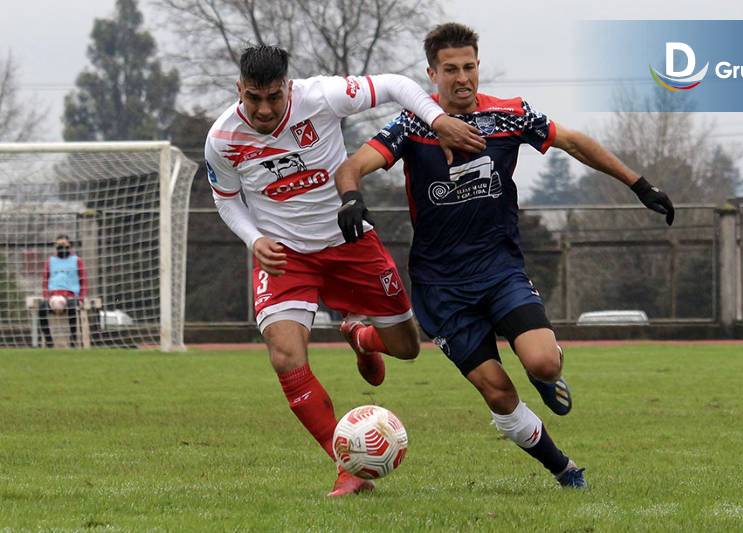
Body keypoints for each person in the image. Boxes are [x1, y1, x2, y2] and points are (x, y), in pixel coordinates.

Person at [334, 23, 675, 489]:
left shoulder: (509, 116)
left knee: (544, 364)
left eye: (469, 67)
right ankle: (564, 469)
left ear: (478, 66)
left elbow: (573, 141)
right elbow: (352, 166)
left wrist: (640, 185)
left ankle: (544, 376)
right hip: (442, 287)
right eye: (450, 69)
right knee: (497, 388)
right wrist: (352, 197)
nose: (462, 78)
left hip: (499, 271)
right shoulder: (414, 125)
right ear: (431, 73)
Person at [204, 44, 485, 497]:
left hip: (348, 242)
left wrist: (438, 120)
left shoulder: (321, 97)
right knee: (284, 356)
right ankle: (347, 466)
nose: (263, 108)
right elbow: (226, 198)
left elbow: (395, 84)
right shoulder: (222, 139)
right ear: (239, 89)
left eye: (273, 97)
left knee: (408, 348)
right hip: (285, 255)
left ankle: (362, 336)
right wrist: (254, 239)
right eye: (253, 97)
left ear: (288, 87)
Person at [39, 234, 88, 348]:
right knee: (41, 308)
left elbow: (83, 280)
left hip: (70, 296)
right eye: (59, 245)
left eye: (64, 245)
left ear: (69, 246)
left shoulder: (77, 260)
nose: (62, 248)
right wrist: (46, 296)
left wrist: (81, 298)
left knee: (72, 307)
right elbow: (45, 280)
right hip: (53, 296)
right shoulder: (50, 261)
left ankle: (73, 338)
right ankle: (49, 340)